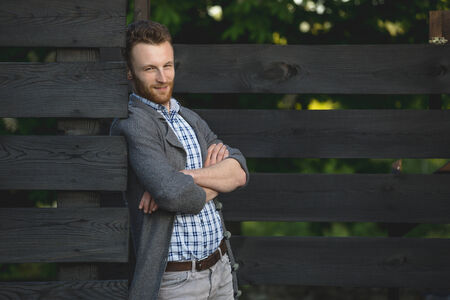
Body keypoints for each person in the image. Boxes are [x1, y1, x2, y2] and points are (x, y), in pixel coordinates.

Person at [110, 20, 249, 300]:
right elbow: (172, 195)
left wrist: (187, 175)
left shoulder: (188, 117)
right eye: (150, 69)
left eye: (168, 65)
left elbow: (240, 170)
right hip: (177, 282)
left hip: (220, 267)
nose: (163, 77)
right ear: (129, 72)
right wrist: (211, 178)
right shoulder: (134, 124)